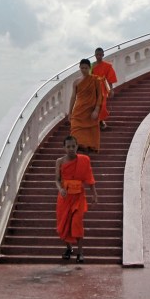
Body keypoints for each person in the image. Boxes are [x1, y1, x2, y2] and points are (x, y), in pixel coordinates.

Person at [55, 135, 98, 263]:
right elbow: (57, 180)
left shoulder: (84, 160)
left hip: (78, 197)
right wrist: (60, 189)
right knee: (64, 225)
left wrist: (94, 194)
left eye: (73, 146)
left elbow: (89, 178)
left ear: (77, 146)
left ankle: (80, 252)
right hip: (65, 198)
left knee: (76, 223)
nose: (71, 149)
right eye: (68, 146)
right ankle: (69, 249)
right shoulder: (60, 161)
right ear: (64, 148)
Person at [68, 58, 103, 152]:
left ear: (89, 68)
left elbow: (100, 95)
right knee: (75, 128)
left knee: (90, 130)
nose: (84, 70)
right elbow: (73, 97)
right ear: (79, 68)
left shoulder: (95, 80)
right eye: (82, 68)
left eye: (86, 68)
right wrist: (70, 112)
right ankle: (77, 147)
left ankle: (87, 147)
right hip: (78, 110)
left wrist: (96, 110)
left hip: (90, 110)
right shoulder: (76, 82)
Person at [91, 47, 118, 130]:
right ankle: (97, 122)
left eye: (100, 55)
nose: (98, 56)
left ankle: (101, 121)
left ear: (103, 55)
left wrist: (111, 90)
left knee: (102, 105)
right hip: (93, 88)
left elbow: (110, 78)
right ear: (95, 55)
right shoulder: (91, 66)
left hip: (102, 88)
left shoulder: (107, 66)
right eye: (97, 55)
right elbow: (87, 77)